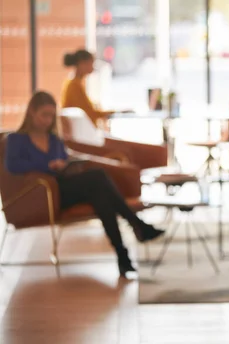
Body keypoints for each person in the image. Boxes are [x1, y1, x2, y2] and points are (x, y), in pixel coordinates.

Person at [4, 91, 165, 277]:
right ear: (32, 112)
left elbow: (64, 160)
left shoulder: (54, 140)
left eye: (51, 115)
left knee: (101, 196)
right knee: (98, 178)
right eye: (44, 115)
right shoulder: (16, 140)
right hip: (43, 195)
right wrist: (46, 166)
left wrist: (64, 165)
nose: (47, 120)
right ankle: (136, 225)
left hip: (64, 186)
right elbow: (13, 166)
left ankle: (123, 255)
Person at [61, 49, 114, 127]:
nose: (92, 67)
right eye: (91, 63)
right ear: (82, 64)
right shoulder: (73, 85)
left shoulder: (77, 83)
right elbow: (89, 112)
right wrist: (113, 113)